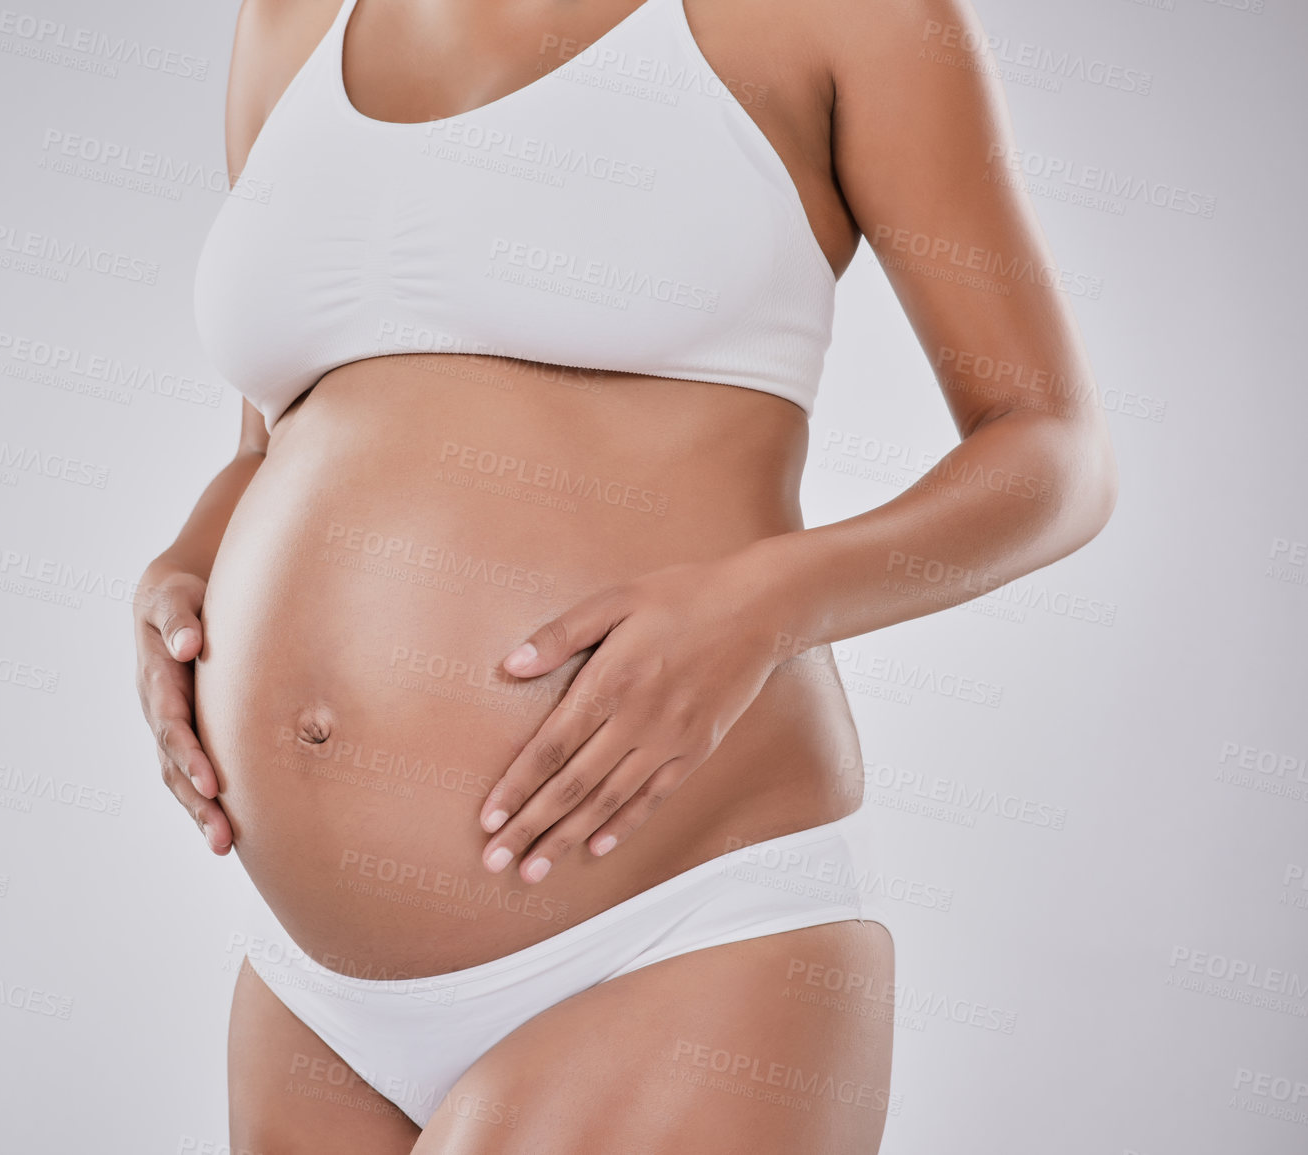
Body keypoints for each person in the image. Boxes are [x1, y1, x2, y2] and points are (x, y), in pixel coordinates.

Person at [134, 0, 1118, 1149]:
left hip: (674, 933)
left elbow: (1053, 451)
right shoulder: (289, 23)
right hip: (314, 995)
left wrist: (764, 605)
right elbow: (274, 432)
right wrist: (190, 566)